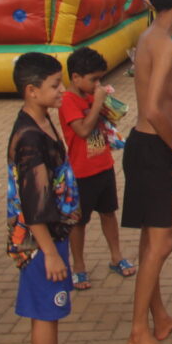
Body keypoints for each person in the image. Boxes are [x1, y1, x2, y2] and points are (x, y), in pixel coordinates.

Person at [122, 0, 172, 344]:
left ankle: (159, 317)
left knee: (151, 242)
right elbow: (153, 109)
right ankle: (138, 332)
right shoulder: (164, 44)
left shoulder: (150, 36)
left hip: (145, 146)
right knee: (163, 243)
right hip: (153, 146)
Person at [7, 52, 80, 344]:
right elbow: (33, 203)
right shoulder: (30, 139)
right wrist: (50, 253)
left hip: (52, 233)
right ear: (32, 91)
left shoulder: (42, 119)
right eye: (55, 85)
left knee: (50, 310)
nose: (62, 90)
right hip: (40, 241)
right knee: (46, 313)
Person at [58, 47, 135, 291]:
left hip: (103, 165)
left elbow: (114, 116)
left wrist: (106, 102)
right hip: (81, 172)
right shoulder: (68, 101)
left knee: (109, 213)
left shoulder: (91, 95)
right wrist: (97, 103)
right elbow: (82, 130)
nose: (97, 84)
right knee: (79, 222)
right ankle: (79, 267)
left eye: (100, 79)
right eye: (93, 79)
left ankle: (116, 256)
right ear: (76, 77)